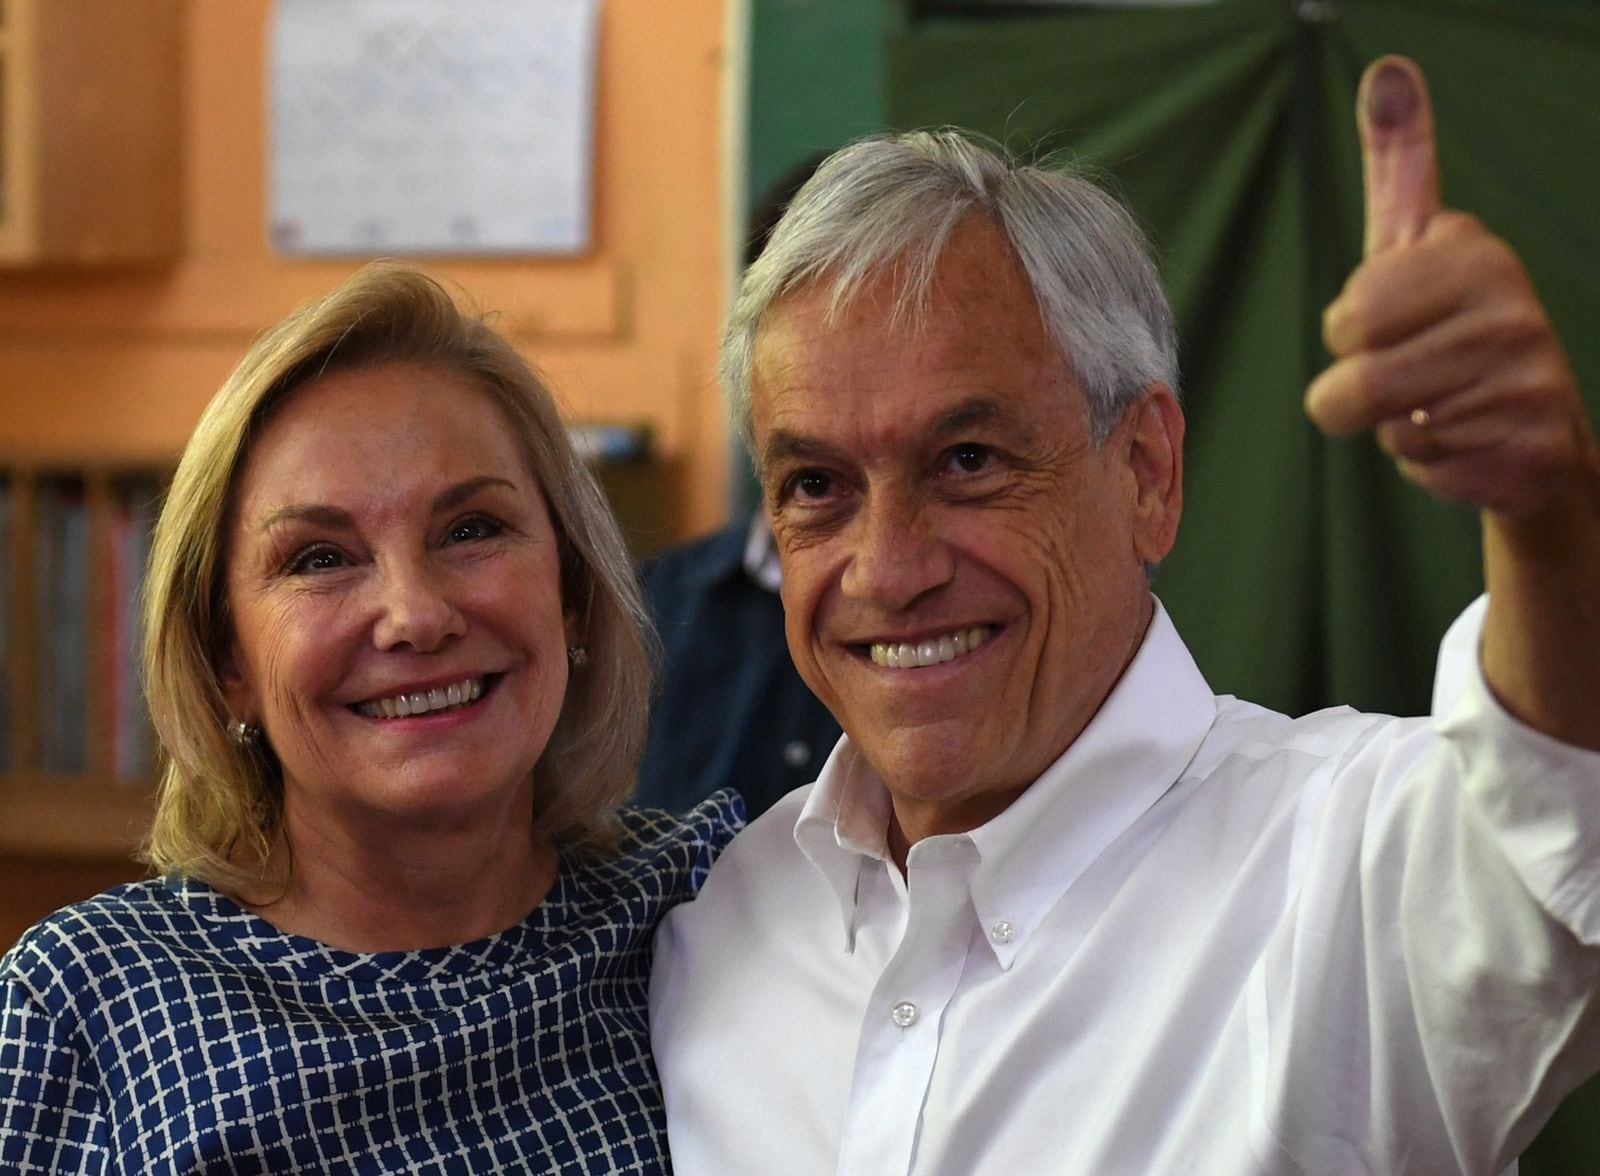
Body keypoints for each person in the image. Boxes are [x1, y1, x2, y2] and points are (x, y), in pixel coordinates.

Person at [650, 56, 1600, 1174]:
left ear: (1147, 470)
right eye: (816, 485)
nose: (888, 570)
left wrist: (1549, 513)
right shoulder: (716, 926)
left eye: (968, 460)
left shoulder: (1348, 876)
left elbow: (1557, 812)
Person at [0, 262, 739, 1172]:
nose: (416, 616)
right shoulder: (85, 1006)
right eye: (320, 559)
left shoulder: (710, 906)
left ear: (572, 593)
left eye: (470, 530)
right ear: (229, 662)